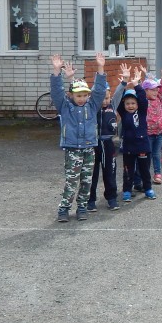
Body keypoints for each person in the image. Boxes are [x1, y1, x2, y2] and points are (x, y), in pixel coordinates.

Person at [49, 52, 107, 222]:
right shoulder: (65, 106)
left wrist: (101, 68)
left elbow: (100, 90)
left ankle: (82, 207)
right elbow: (56, 92)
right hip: (73, 149)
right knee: (71, 181)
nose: (81, 98)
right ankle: (64, 209)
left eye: (84, 95)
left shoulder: (92, 105)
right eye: (78, 95)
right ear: (71, 95)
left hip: (89, 148)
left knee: (86, 180)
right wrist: (56, 71)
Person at [116, 64, 157, 202]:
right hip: (128, 148)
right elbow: (118, 100)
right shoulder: (123, 113)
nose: (130, 106)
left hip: (142, 146)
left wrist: (136, 84)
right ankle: (127, 190)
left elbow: (143, 98)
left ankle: (148, 189)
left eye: (133, 103)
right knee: (128, 170)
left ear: (137, 104)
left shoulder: (142, 111)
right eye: (127, 103)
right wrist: (124, 83)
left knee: (144, 170)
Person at [89, 78, 124, 212]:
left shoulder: (112, 106)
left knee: (110, 172)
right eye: (101, 98)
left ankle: (111, 198)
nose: (104, 101)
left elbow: (118, 94)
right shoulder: (91, 107)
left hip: (108, 144)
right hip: (92, 143)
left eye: (107, 98)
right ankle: (90, 200)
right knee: (91, 174)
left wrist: (124, 82)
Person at [144, 76, 162, 184]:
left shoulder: (159, 99)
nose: (155, 92)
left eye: (156, 90)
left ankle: (157, 173)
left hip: (159, 132)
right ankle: (145, 174)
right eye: (152, 90)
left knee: (156, 154)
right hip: (148, 133)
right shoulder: (144, 101)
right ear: (145, 90)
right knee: (147, 155)